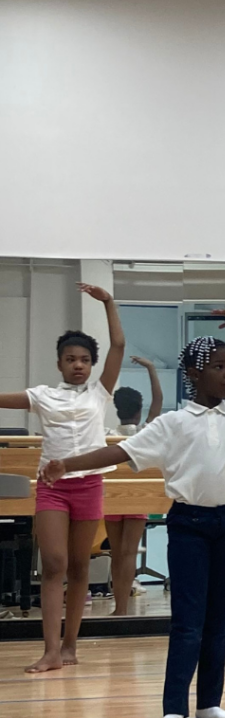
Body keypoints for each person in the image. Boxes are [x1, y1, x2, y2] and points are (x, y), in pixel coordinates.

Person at [41, 309, 225, 718]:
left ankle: (209, 701)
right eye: (219, 367)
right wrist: (66, 464)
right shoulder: (172, 423)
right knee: (188, 620)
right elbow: (116, 453)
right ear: (194, 373)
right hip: (189, 524)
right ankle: (174, 707)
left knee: (219, 618)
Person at [0, 283, 125, 674]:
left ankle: (70, 645)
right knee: (53, 564)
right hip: (53, 489)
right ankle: (50, 650)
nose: (78, 365)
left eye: (84, 359)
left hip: (88, 484)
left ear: (91, 364)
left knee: (79, 566)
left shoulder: (99, 393)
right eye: (70, 359)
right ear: (59, 363)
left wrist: (108, 302)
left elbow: (118, 346)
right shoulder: (43, 396)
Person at [104, 356, 163, 616]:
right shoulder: (144, 433)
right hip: (137, 497)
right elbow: (158, 402)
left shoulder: (107, 433)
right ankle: (122, 608)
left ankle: (119, 607)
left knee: (117, 554)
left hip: (113, 497)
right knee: (129, 554)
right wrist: (151, 368)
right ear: (139, 410)